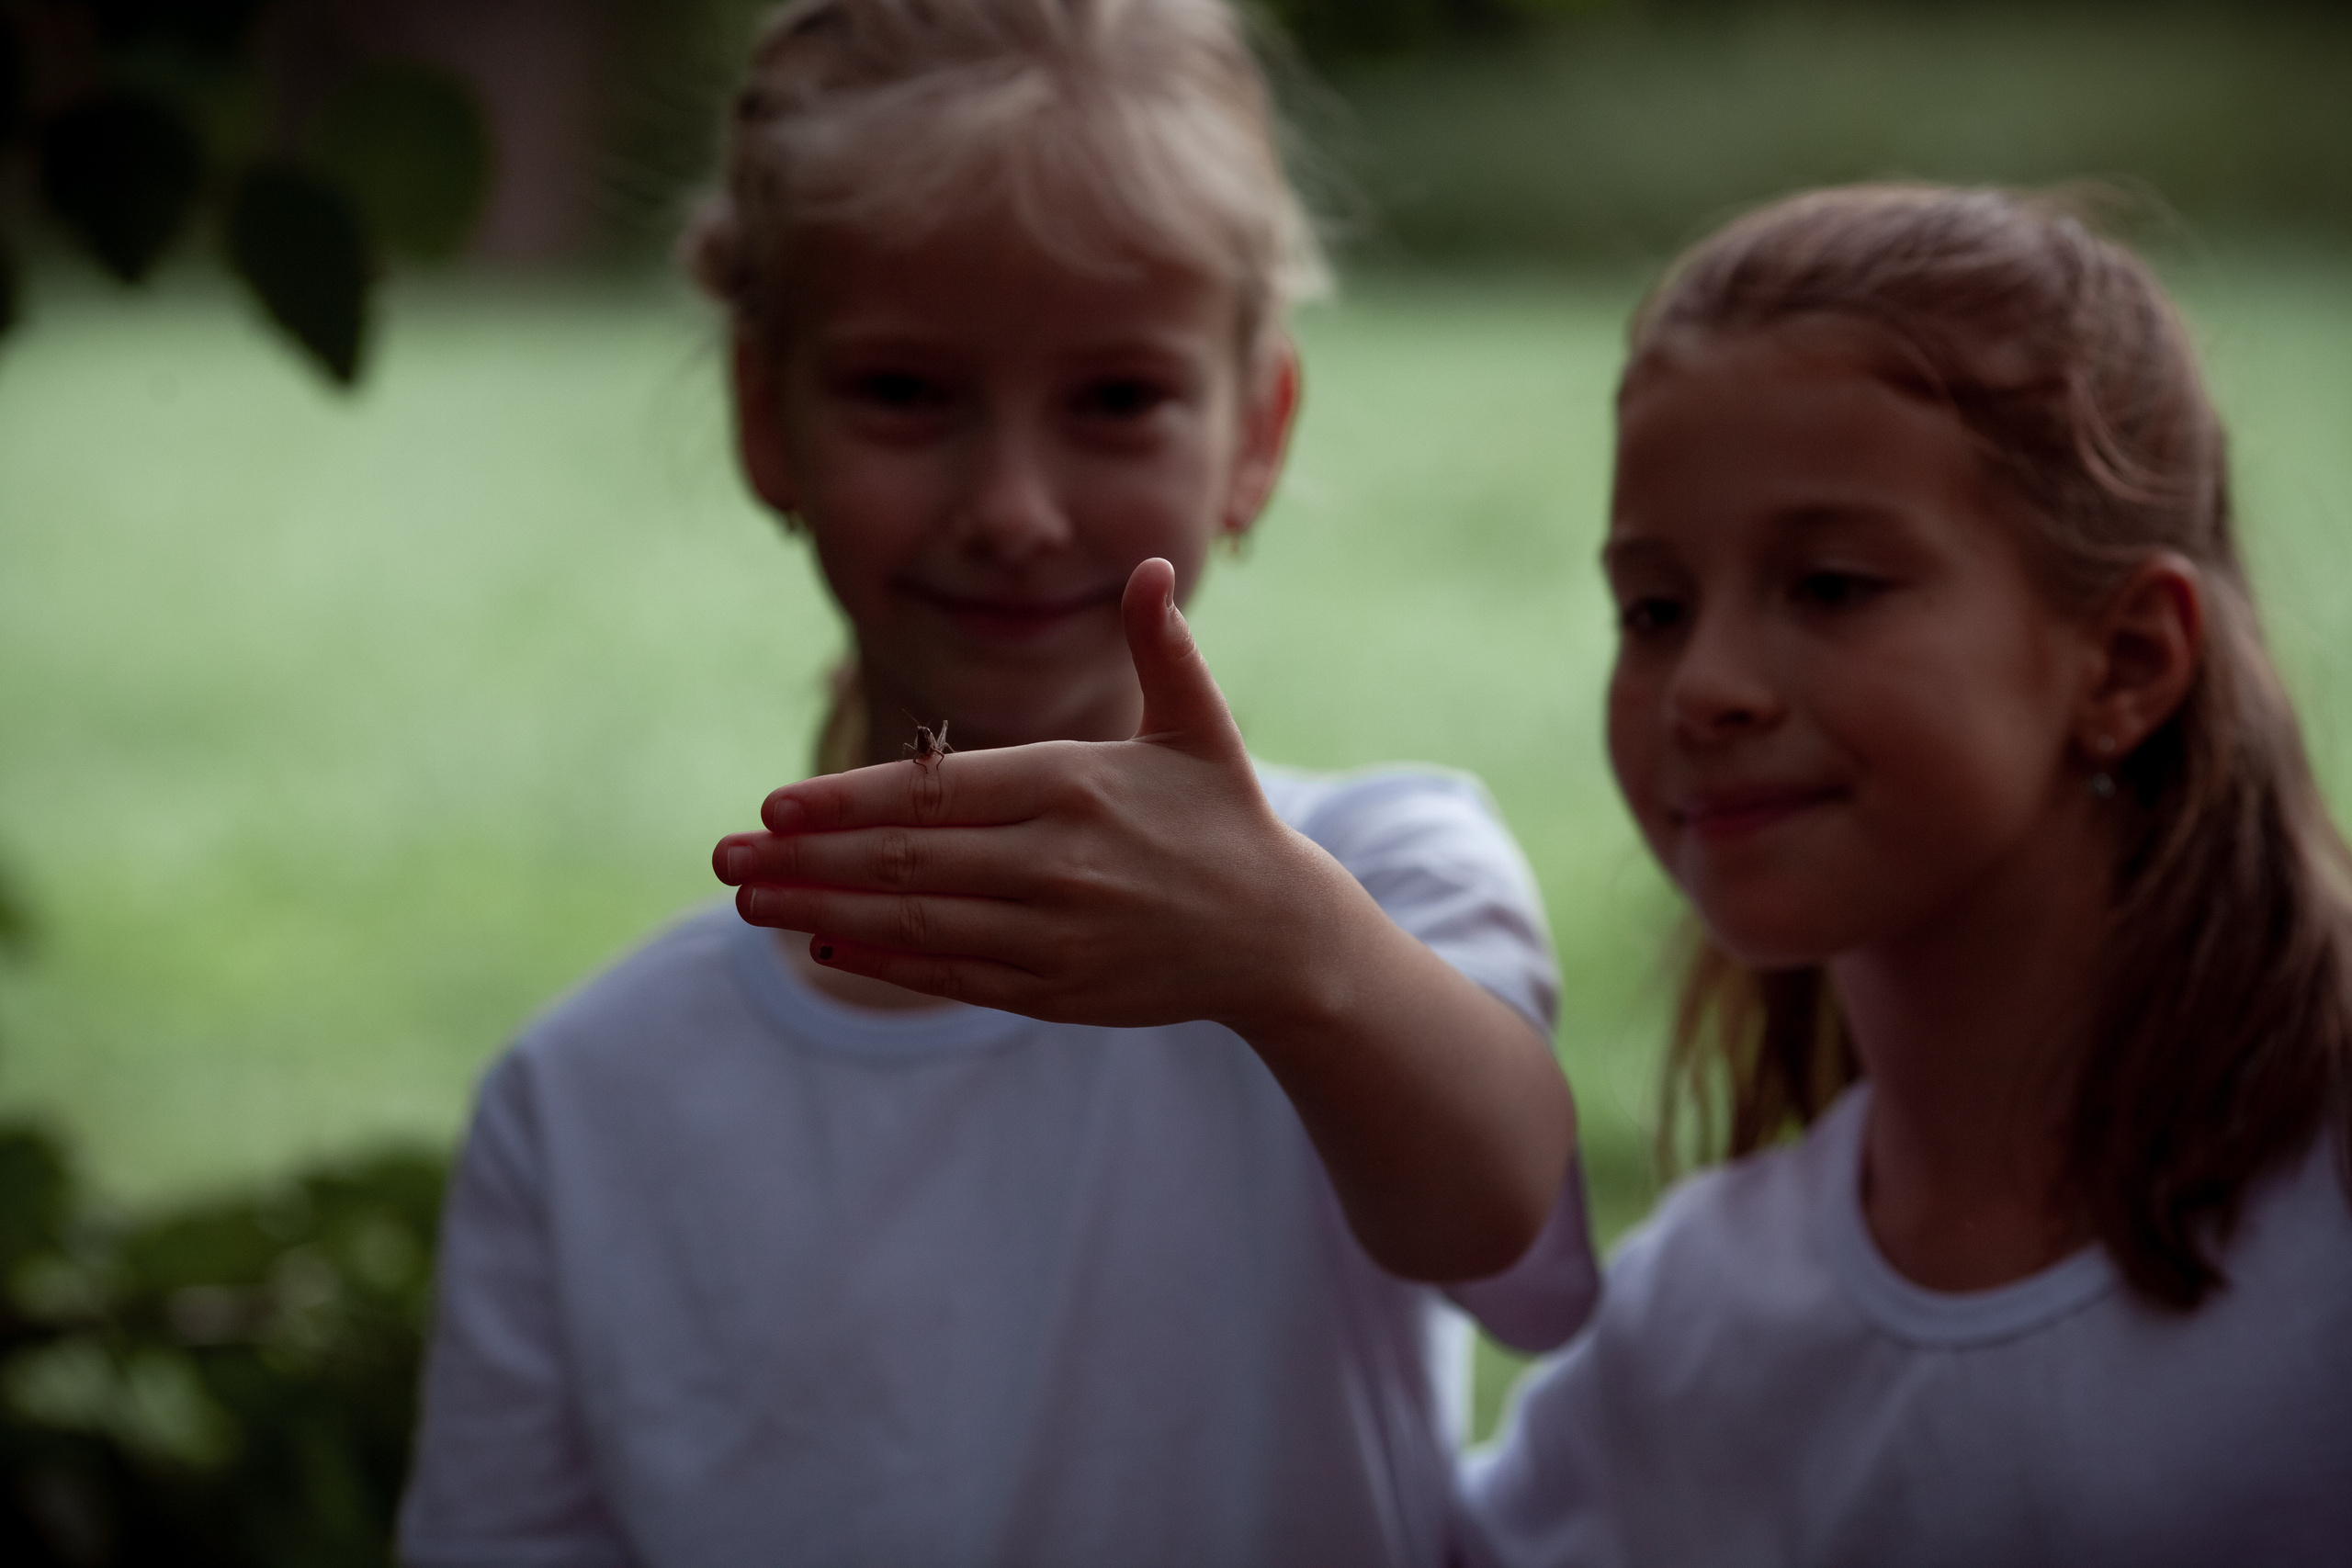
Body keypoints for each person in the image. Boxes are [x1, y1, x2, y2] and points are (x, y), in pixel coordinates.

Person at [398, 4, 1594, 1564]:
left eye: (1114, 400)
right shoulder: (587, 1105)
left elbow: (1509, 1235)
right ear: (769, 417)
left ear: (1260, 428)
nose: (1014, 509)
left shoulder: (1386, 877)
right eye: (905, 392)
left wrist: (1297, 960)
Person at [1459, 184, 2352, 1568]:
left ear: (2124, 663)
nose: (1705, 687)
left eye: (1830, 585)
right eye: (1654, 608)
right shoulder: (1697, 1321)